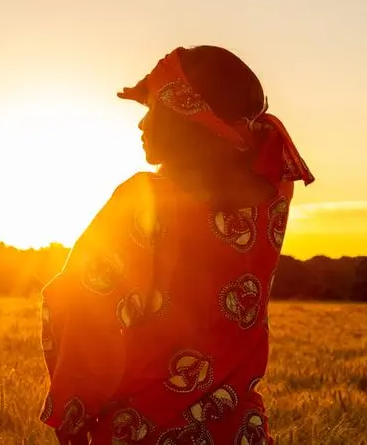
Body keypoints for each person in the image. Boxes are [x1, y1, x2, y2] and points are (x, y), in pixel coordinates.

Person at [38, 45, 314, 444]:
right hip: (239, 432)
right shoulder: (274, 198)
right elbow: (251, 152)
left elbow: (79, 306)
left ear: (184, 116)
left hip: (144, 429)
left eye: (152, 110)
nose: (141, 125)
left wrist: (74, 413)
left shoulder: (141, 200)